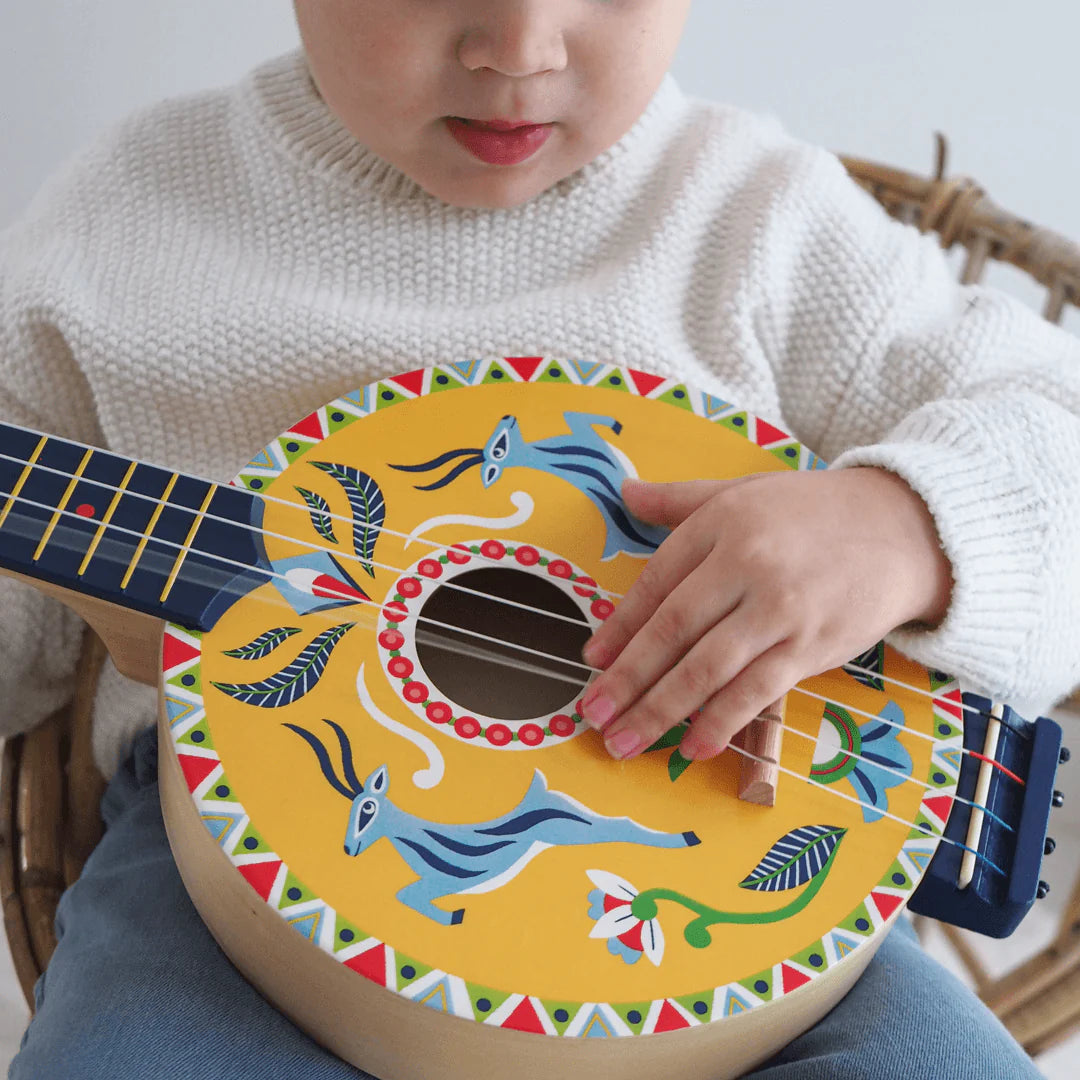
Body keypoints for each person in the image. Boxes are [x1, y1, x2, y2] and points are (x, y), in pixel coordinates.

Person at [3, 2, 1077, 1076]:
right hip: (222, 898)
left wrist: (904, 525)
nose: (521, 50)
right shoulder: (123, 222)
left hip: (746, 903)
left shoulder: (761, 217)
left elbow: (1055, 422)